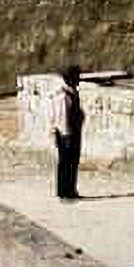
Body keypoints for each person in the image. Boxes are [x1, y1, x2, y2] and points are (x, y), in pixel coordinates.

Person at [50, 64, 85, 200]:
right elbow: (61, 116)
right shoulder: (64, 95)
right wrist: (66, 135)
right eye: (77, 77)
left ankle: (69, 190)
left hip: (70, 133)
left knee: (71, 162)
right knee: (66, 163)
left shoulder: (70, 93)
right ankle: (65, 192)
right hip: (67, 134)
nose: (79, 80)